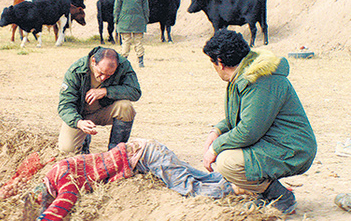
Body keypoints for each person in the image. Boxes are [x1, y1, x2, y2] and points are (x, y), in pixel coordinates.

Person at [201, 29, 317, 214]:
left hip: (293, 148)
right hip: (276, 142)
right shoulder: (247, 74)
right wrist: (217, 131)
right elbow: (245, 116)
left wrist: (214, 148)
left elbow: (248, 131)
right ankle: (266, 194)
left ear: (220, 63)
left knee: (227, 162)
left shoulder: (259, 81)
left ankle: (281, 197)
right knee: (229, 154)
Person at [18, 139, 233, 221]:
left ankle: (236, 191)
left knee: (188, 187)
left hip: (148, 157)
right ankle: (232, 181)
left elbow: (65, 202)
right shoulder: (56, 171)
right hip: (148, 150)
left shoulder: (64, 179)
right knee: (198, 175)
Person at [57, 46, 141, 154]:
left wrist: (106, 91)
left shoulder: (123, 65)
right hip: (80, 115)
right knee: (67, 149)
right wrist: (78, 122)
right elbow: (65, 105)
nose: (103, 78)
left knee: (126, 107)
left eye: (109, 75)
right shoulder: (76, 70)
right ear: (93, 62)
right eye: (100, 73)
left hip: (104, 111)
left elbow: (135, 92)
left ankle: (115, 153)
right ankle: (84, 143)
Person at [113, 0, 150, 68]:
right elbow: (146, 8)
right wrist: (146, 19)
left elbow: (117, 7)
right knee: (138, 42)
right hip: (139, 21)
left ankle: (123, 61)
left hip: (124, 21)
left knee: (126, 41)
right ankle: (141, 62)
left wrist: (116, 19)